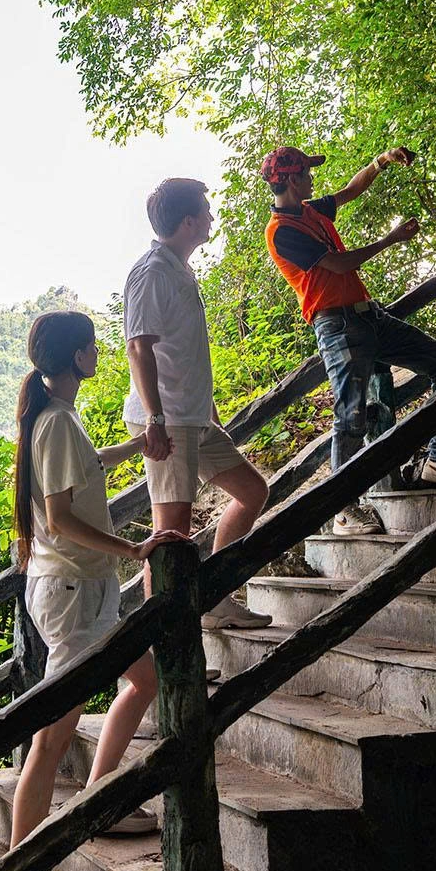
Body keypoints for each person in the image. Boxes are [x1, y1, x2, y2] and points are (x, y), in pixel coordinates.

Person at [1, 310, 175, 871]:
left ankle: (101, 797)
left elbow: (81, 467)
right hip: (73, 591)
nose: (99, 353)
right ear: (77, 357)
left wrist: (133, 447)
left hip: (84, 589)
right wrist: (132, 548)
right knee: (51, 737)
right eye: (93, 346)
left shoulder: (58, 415)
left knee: (143, 680)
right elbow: (60, 516)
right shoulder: (54, 421)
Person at [262, 144, 436, 528]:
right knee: (351, 417)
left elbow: (350, 191)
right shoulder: (281, 232)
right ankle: (343, 509)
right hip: (337, 327)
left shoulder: (311, 210)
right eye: (306, 172)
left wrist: (381, 161)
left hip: (370, 317)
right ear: (291, 179)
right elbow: (338, 264)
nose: (312, 178)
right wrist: (390, 240)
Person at [124, 178, 272, 632]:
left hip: (193, 418)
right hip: (167, 421)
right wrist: (155, 419)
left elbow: (182, 351)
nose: (211, 217)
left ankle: (215, 599)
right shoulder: (152, 272)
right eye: (205, 211)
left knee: (253, 492)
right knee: (170, 537)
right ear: (188, 222)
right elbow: (138, 347)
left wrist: (208, 411)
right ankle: (165, 644)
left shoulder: (179, 269)